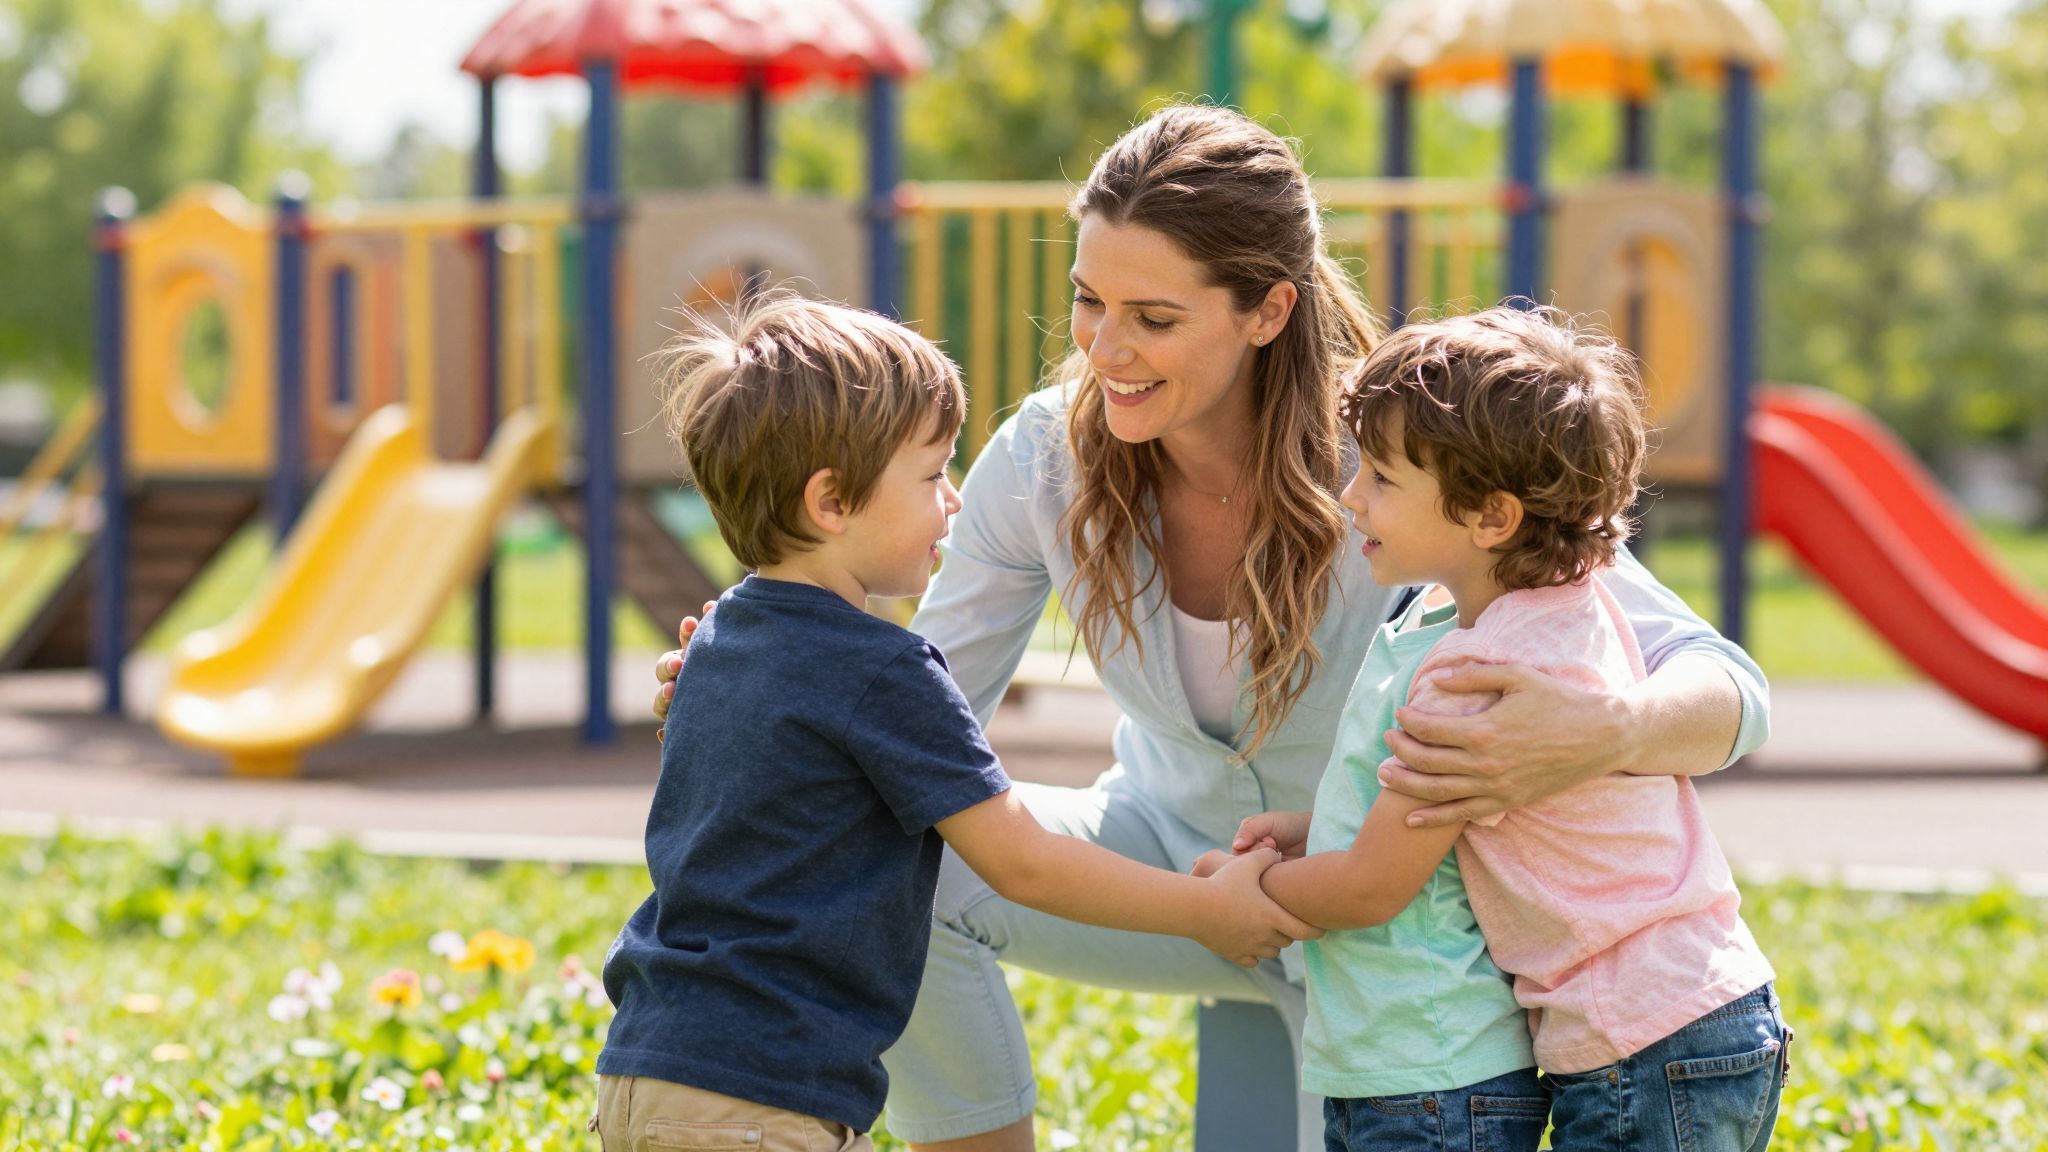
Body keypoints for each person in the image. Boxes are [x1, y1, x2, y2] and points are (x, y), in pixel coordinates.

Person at [650, 105, 1770, 1152]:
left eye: (1154, 318)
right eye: (1089, 300)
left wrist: (1604, 726)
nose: (1102, 348)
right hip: (1163, 873)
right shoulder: (1042, 460)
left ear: (1266, 309)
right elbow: (915, 713)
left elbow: (1726, 691)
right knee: (898, 856)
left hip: (1390, 926)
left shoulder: (1400, 469)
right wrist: (762, 679)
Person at [595, 294, 1318, 1152]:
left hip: (648, 1065)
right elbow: (1023, 862)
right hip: (769, 1097)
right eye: (934, 472)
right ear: (831, 500)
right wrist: (1205, 912)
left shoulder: (717, 640)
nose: (955, 499)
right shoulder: (885, 672)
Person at [1202, 307, 1786, 1152]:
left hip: (1644, 1042)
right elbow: (1453, 822)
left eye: (1383, 480)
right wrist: (1316, 828)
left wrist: (1244, 894)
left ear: (1492, 518)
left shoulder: (1473, 675)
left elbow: (1373, 886)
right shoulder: (1574, 607)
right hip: (1699, 1010)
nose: (1350, 494)